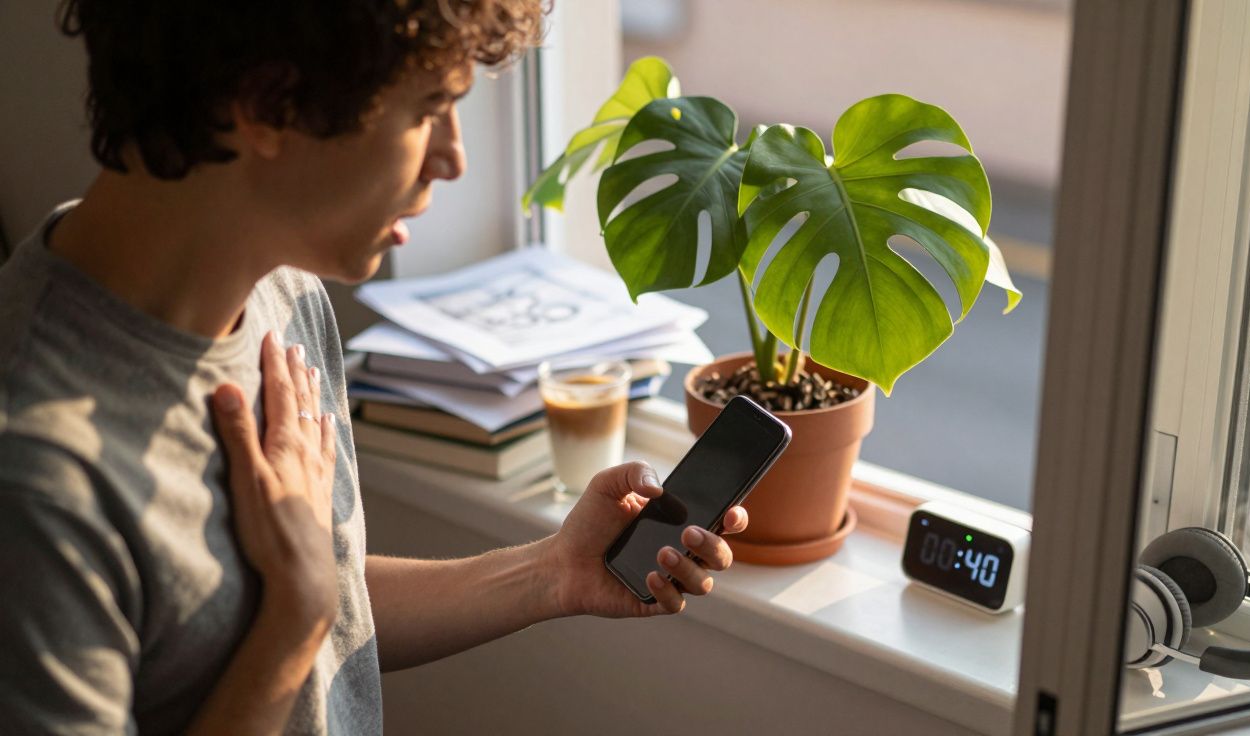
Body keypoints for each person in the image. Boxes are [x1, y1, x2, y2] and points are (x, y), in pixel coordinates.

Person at [0, 2, 750, 733]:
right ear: (266, 101)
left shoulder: (283, 292)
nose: (453, 158)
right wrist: (292, 622)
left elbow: (315, 602)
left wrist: (550, 572)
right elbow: (300, 608)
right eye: (430, 109)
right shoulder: (37, 484)